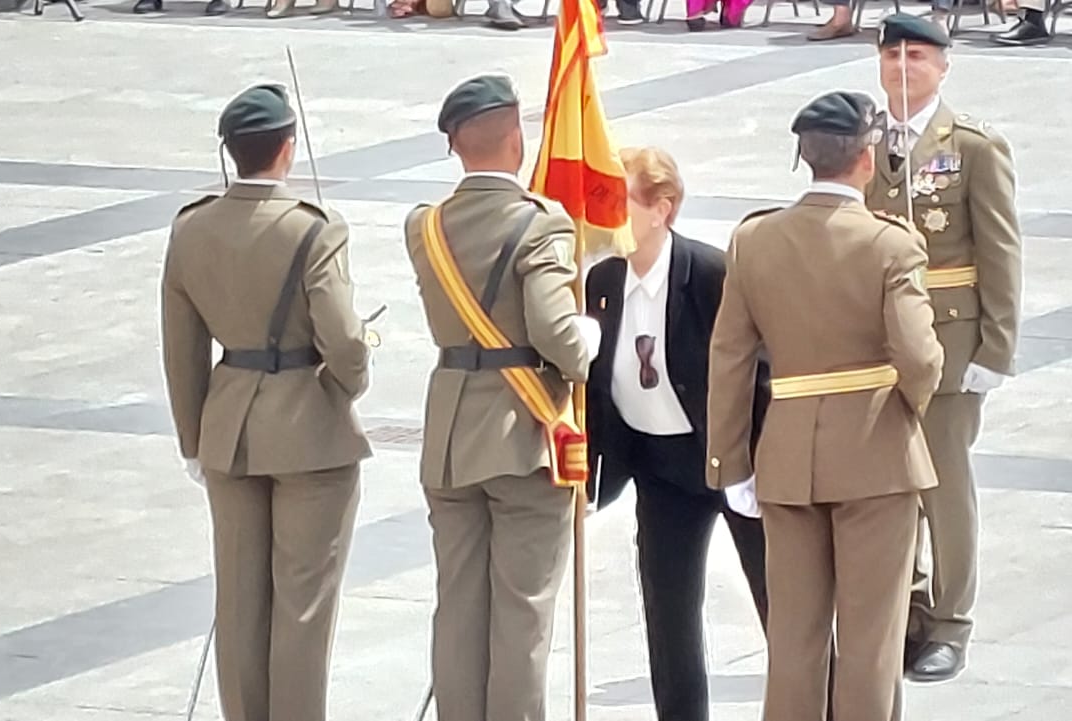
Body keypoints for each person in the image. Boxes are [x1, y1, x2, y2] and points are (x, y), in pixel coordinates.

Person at [706, 89, 943, 721]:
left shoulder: (755, 241)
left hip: (786, 457)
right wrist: (905, 412)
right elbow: (920, 357)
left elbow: (728, 358)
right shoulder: (892, 244)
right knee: (870, 643)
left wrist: (729, 465)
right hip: (876, 456)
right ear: (867, 159)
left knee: (794, 642)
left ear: (803, 158)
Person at [160, 84, 373, 721]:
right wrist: (349, 381)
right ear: (287, 148)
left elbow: (182, 349)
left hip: (229, 427)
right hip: (308, 428)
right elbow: (346, 345)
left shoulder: (191, 228)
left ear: (232, 153)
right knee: (302, 607)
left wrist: (194, 438)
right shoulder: (314, 228)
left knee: (240, 602)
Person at [402, 74, 601, 721]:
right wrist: (589, 340)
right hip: (522, 437)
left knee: (458, 608)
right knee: (523, 612)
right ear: (517, 137)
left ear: (455, 145)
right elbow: (554, 330)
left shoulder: (424, 226)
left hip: (451, 435)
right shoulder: (541, 224)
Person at [583, 146, 768, 721]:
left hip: (730, 461)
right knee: (668, 617)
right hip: (659, 468)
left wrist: (753, 464)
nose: (608, 215)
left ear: (661, 209)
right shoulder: (603, 279)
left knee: (782, 607)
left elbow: (755, 372)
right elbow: (594, 384)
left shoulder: (710, 274)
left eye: (621, 202)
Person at [866, 14, 1023, 685]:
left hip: (948, 340)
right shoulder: (864, 140)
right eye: (894, 55)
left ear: (944, 65)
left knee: (945, 487)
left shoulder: (972, 146)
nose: (904, 66)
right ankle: (906, 608)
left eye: (919, 56)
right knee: (884, 484)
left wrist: (996, 347)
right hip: (875, 344)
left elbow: (1000, 251)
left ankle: (952, 620)